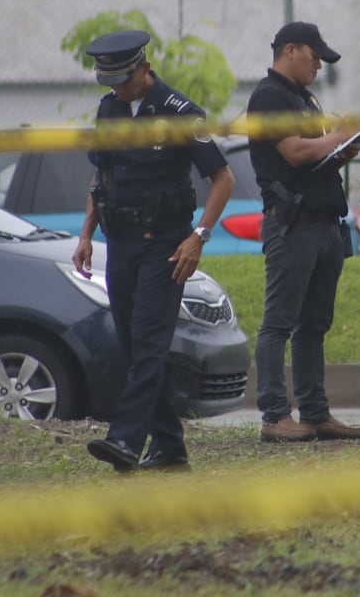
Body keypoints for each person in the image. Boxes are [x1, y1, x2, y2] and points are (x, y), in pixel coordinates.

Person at [76, 29, 235, 472]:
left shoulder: (181, 112)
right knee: (135, 346)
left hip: (165, 245)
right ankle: (169, 448)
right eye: (110, 81)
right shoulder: (109, 110)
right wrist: (87, 233)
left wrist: (198, 238)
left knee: (148, 341)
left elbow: (223, 179)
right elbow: (100, 178)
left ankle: (125, 440)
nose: (117, 88)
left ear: (145, 69)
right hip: (120, 242)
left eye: (124, 79)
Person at [246, 21, 360, 443]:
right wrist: (335, 137)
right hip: (292, 224)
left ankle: (315, 413)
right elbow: (295, 151)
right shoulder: (268, 97)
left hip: (323, 223)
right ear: (290, 50)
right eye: (314, 55)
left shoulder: (303, 98)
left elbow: (313, 160)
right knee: (279, 322)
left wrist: (340, 151)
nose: (319, 64)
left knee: (314, 324)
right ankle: (274, 415)